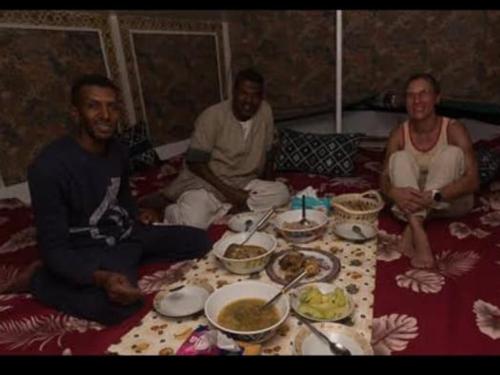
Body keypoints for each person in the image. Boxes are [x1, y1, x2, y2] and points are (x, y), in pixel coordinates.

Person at [0, 74, 211, 325]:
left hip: (124, 235)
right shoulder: (48, 167)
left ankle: (129, 260)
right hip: (87, 248)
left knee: (200, 241)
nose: (106, 115)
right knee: (120, 308)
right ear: (76, 113)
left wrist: (137, 216)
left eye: (112, 106)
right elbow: (54, 248)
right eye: (93, 106)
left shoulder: (118, 150)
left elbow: (122, 195)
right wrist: (100, 277)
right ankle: (39, 280)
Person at [140, 68, 289, 229]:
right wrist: (231, 194)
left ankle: (224, 209)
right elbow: (195, 163)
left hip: (244, 182)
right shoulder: (212, 116)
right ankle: (167, 209)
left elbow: (269, 152)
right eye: (243, 93)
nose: (249, 100)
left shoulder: (265, 111)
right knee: (194, 224)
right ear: (234, 92)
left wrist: (265, 186)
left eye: (255, 95)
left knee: (281, 193)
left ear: (261, 97)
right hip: (207, 185)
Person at [379, 73, 479, 269]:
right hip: (412, 196)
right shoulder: (399, 132)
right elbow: (383, 177)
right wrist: (392, 192)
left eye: (423, 94)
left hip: (448, 200)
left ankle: (411, 227)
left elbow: (473, 180)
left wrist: (435, 196)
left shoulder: (453, 128)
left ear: (437, 98)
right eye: (410, 95)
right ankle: (419, 230)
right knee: (398, 158)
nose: (417, 100)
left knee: (451, 153)